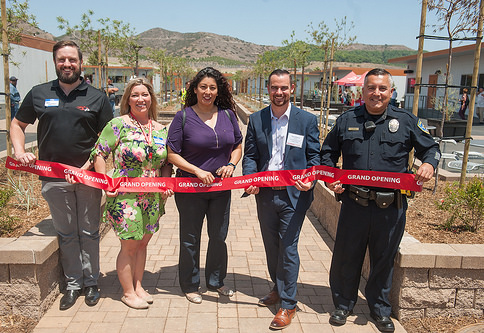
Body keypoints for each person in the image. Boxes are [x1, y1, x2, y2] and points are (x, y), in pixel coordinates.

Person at [321, 68, 440, 332]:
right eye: (371, 88)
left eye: (382, 88)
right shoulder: (346, 120)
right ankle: (343, 304)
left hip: (391, 208)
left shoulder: (406, 121)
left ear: (391, 92)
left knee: (383, 259)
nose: (376, 93)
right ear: (362, 91)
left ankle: (380, 309)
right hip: (354, 204)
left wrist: (429, 165)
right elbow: (327, 153)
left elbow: (431, 148)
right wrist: (331, 178)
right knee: (346, 257)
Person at [10, 40, 113, 311]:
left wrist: (88, 168)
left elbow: (107, 140)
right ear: (56, 62)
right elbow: (17, 124)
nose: (67, 64)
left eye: (72, 60)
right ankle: (73, 284)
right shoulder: (39, 93)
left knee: (89, 232)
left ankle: (91, 283)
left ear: (81, 63)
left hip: (87, 177)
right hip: (53, 178)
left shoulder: (97, 97)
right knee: (67, 234)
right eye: (62, 60)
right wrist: (20, 151)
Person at [242, 69, 321, 330]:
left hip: (294, 196)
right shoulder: (256, 120)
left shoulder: (307, 120)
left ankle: (288, 304)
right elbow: (251, 155)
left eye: (284, 88)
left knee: (288, 247)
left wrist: (311, 179)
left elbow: (314, 158)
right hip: (264, 194)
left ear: (292, 88)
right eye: (275, 88)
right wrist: (250, 179)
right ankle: (277, 287)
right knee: (271, 245)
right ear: (268, 89)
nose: (279, 93)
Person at [90, 78, 173, 309]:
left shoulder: (159, 129)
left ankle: (138, 286)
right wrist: (105, 182)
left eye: (144, 94)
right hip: (125, 195)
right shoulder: (118, 124)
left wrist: (166, 181)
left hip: (152, 196)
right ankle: (127, 293)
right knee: (129, 244)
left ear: (151, 98)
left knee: (143, 243)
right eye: (135, 95)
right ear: (127, 99)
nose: (140, 99)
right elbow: (99, 152)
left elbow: (167, 161)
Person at [167, 67, 242, 304]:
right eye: (203, 87)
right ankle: (190, 285)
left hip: (220, 189)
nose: (207, 92)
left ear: (218, 90)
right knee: (190, 238)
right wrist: (197, 170)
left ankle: (216, 281)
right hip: (190, 189)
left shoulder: (229, 115)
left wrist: (231, 163)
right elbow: (171, 154)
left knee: (218, 236)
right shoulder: (184, 117)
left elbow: (238, 146)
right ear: (195, 89)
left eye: (212, 87)